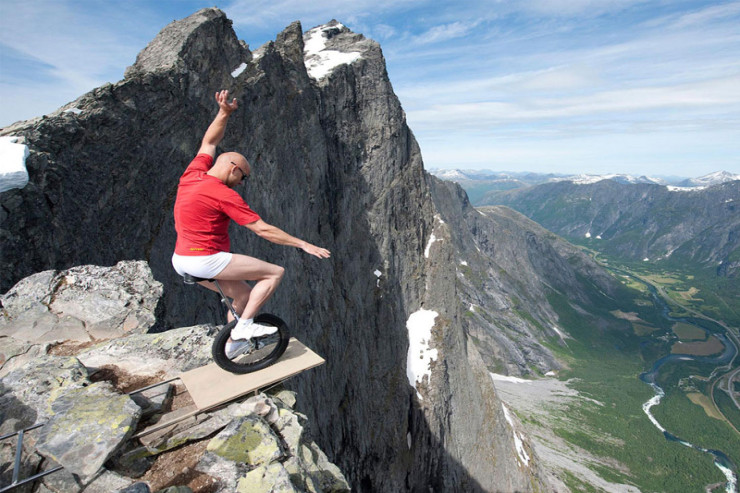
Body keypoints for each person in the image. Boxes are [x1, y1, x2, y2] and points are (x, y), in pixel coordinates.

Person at [172, 90, 331, 358]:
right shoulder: (223, 194)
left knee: (243, 296)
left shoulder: (192, 174)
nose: (242, 182)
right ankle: (244, 327)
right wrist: (302, 244)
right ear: (234, 169)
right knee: (274, 273)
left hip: (181, 259)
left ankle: (233, 346)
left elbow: (209, 142)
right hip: (205, 259)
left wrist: (223, 113)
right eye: (243, 176)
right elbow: (262, 229)